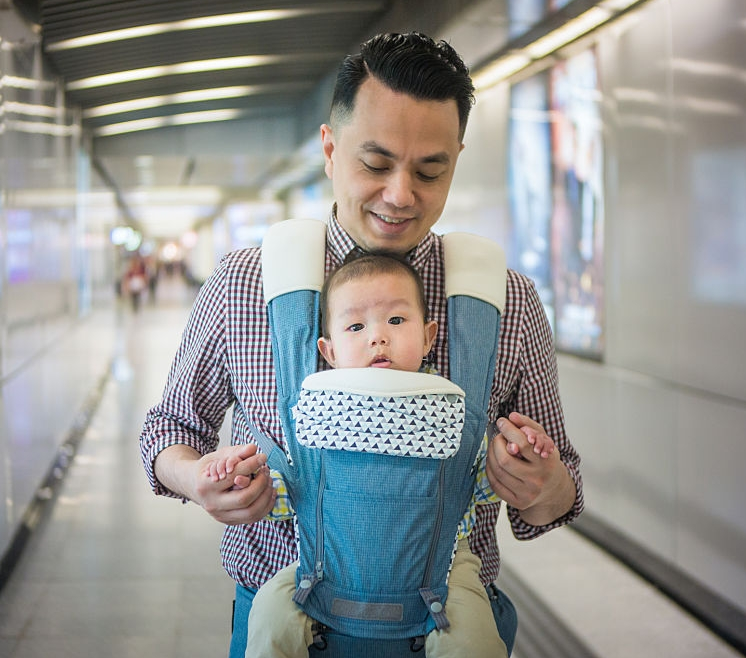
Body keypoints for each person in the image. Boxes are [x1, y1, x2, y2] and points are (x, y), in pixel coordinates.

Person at [139, 31, 584, 657]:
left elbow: (557, 497)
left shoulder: (500, 303)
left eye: (431, 169)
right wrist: (195, 478)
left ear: (457, 156)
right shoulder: (246, 284)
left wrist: (541, 485)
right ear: (328, 148)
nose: (401, 195)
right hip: (284, 627)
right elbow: (169, 430)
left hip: (446, 630)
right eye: (375, 164)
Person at [205, 253, 555, 658]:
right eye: (356, 326)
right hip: (320, 567)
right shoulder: (321, 405)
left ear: (428, 337)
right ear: (329, 350)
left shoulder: (450, 406)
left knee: (473, 638)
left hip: (442, 566)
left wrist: (514, 459)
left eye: (396, 321)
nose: (378, 337)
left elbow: (475, 483)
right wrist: (250, 483)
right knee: (268, 617)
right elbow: (301, 487)